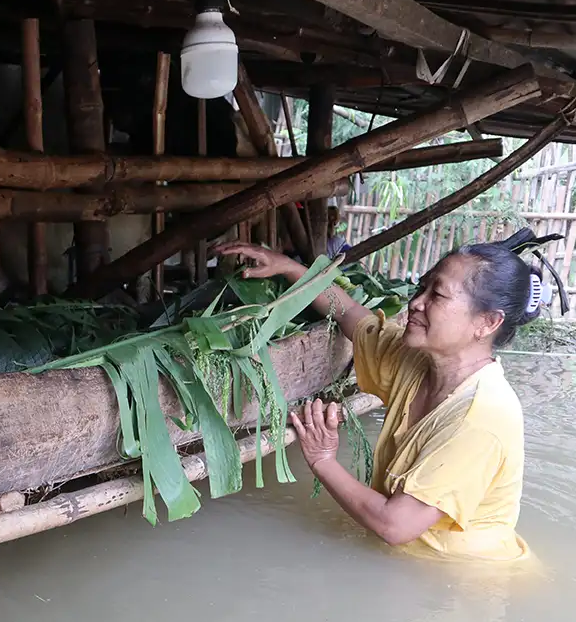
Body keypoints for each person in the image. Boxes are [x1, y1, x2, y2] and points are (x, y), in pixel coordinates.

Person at [212, 234, 549, 562]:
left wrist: (323, 460)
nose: (416, 302)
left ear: (487, 322)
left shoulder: (482, 416)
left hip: (465, 581)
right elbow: (347, 315)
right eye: (423, 287)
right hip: (416, 565)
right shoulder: (416, 362)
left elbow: (395, 524)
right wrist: (288, 267)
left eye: (438, 295)